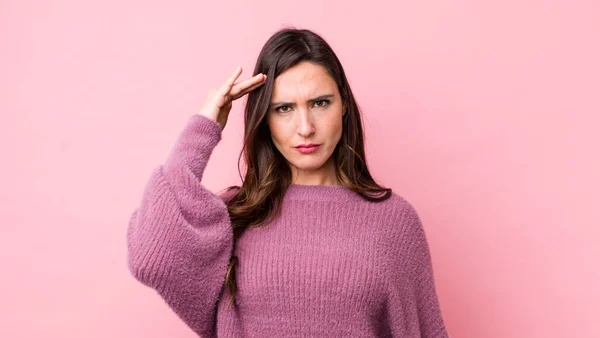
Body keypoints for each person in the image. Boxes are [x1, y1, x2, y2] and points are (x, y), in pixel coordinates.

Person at [126, 27, 450, 337]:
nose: (305, 127)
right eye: (284, 109)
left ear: (344, 105)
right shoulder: (234, 216)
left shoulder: (394, 221)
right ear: (264, 118)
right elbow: (149, 255)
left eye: (320, 103)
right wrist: (204, 126)